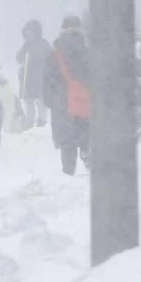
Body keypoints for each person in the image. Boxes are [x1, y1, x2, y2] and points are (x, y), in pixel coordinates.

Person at [44, 16, 91, 176]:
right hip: (85, 101)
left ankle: (68, 171)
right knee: (86, 132)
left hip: (62, 103)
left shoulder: (55, 51)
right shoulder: (86, 49)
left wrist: (51, 101)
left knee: (67, 140)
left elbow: (48, 78)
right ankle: (87, 155)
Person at [15, 20, 52, 130]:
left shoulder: (45, 45)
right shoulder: (26, 45)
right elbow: (18, 58)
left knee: (41, 102)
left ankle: (42, 121)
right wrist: (22, 55)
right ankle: (30, 122)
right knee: (29, 102)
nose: (28, 36)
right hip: (28, 79)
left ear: (36, 32)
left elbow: (51, 60)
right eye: (26, 34)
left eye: (30, 33)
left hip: (41, 79)